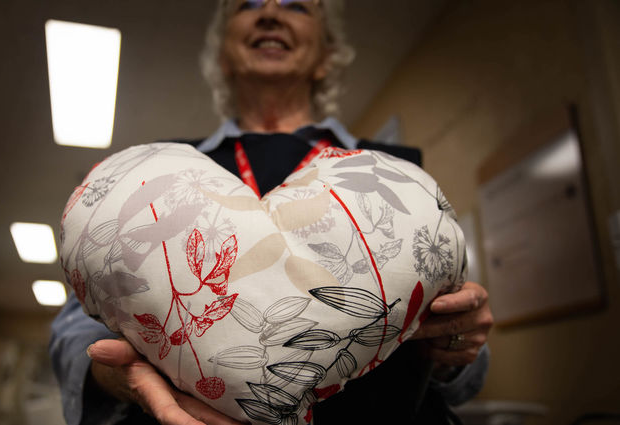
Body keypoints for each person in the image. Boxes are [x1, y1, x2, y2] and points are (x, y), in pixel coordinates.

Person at [50, 0, 494, 424]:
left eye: (296, 6)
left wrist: (455, 345)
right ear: (223, 52)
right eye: (248, 5)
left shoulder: (397, 178)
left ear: (327, 54)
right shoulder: (152, 177)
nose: (269, 14)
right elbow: (80, 321)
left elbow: (450, 337)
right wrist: (115, 375)